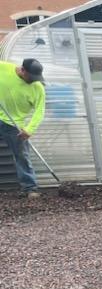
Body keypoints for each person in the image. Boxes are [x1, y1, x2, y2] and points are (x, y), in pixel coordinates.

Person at [0, 58, 46, 197]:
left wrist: (29, 129)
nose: (33, 80)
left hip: (13, 124)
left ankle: (30, 188)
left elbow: (40, 111)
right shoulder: (4, 68)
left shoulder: (37, 87)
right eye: (30, 77)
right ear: (22, 70)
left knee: (22, 156)